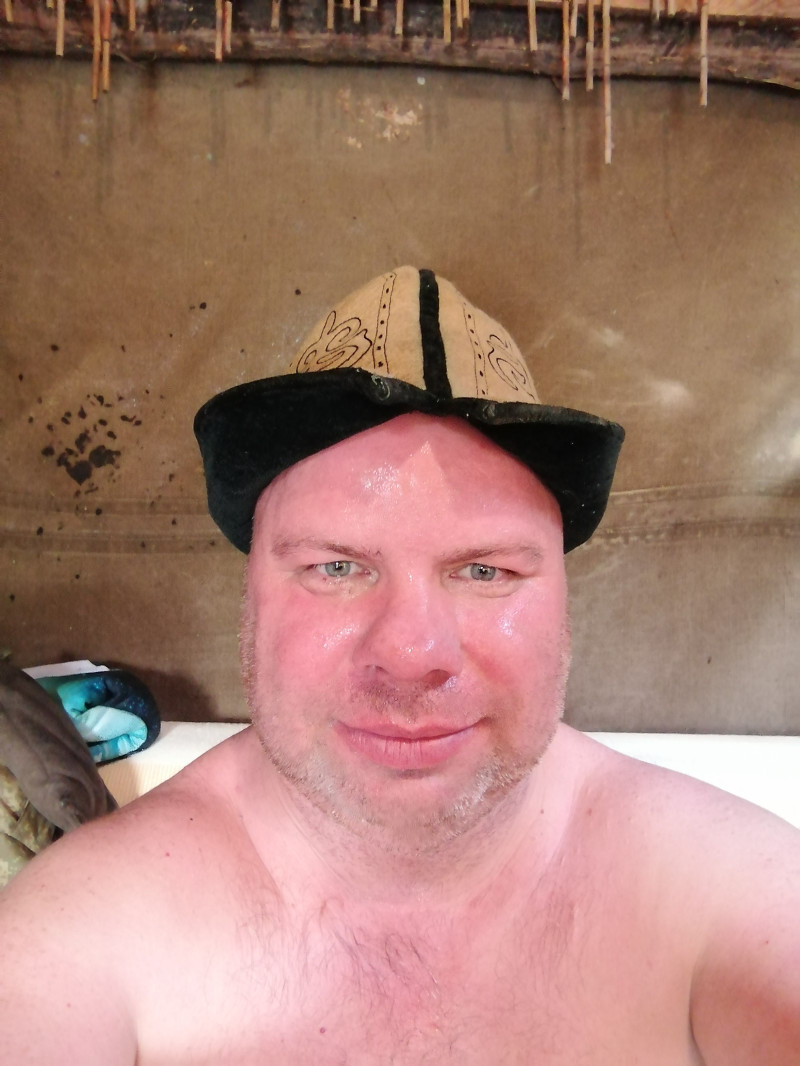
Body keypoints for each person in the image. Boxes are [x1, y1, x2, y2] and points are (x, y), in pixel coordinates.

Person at [1, 266, 799, 1065]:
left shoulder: (734, 895)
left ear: (563, 600)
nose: (412, 655)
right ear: (250, 598)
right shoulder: (77, 939)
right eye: (336, 567)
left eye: (484, 570)